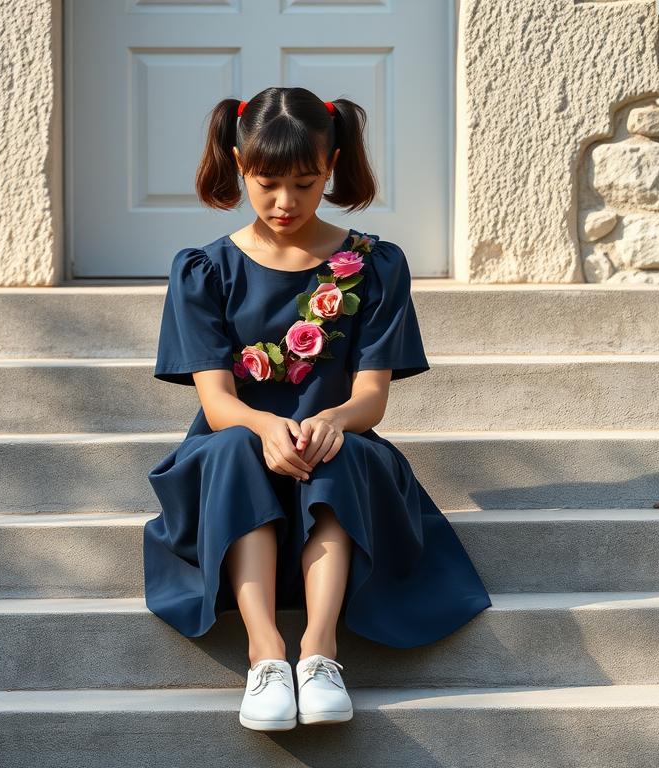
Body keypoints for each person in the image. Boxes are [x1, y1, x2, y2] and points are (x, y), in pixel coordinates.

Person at [145, 86, 492, 732]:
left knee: (336, 452)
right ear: (240, 165)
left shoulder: (374, 266)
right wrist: (265, 424)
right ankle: (266, 655)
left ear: (332, 165)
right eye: (268, 182)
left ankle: (319, 652)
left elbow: (371, 397)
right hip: (233, 462)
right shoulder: (203, 271)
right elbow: (219, 404)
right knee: (235, 450)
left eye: (305, 183)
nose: (285, 202)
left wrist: (331, 419)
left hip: (335, 458)